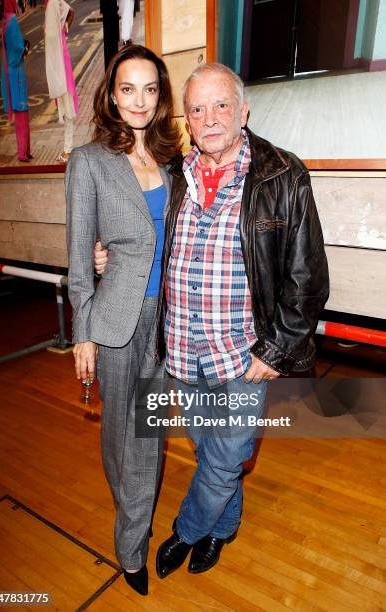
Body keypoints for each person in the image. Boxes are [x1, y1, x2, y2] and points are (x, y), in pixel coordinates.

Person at [95, 62, 329, 579]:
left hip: (243, 355)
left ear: (243, 110)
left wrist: (276, 350)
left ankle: (187, 530)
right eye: (197, 109)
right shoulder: (175, 174)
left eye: (221, 104)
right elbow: (147, 238)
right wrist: (106, 257)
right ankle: (223, 529)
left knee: (225, 458)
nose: (210, 117)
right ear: (186, 120)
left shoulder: (282, 175)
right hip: (182, 349)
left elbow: (307, 277)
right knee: (211, 455)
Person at [65, 44, 181, 596]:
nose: (139, 100)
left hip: (171, 319)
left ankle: (133, 525)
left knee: (147, 435)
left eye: (150, 89)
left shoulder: (173, 162)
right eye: (128, 88)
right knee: (127, 437)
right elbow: (76, 252)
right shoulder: (88, 161)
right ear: (112, 95)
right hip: (117, 320)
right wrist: (81, 332)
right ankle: (131, 544)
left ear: (161, 97)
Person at [44, 0, 78, 163]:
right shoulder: (55, 3)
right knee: (66, 106)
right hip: (62, 62)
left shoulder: (52, 4)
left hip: (60, 65)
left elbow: (51, 36)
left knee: (67, 107)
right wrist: (64, 26)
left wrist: (60, 27)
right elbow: (71, 11)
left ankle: (68, 149)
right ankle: (67, 147)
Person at [0, 0, 32, 162]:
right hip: (17, 74)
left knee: (23, 113)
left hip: (15, 72)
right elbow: (17, 48)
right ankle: (22, 152)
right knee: (21, 114)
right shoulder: (11, 22)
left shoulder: (6, 20)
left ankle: (26, 150)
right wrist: (25, 48)